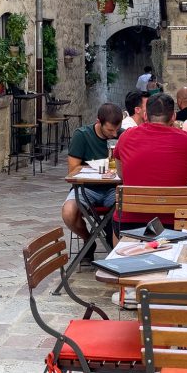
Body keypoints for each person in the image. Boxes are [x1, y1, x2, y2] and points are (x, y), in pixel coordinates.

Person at [113, 93, 187, 232]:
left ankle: (120, 252)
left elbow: (121, 174)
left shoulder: (126, 137)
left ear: (146, 116)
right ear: (173, 116)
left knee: (115, 223)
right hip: (177, 222)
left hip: (131, 223)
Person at [62, 103, 122, 260]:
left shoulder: (123, 135)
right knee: (68, 213)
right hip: (87, 188)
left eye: (117, 129)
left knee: (126, 207)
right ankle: (89, 239)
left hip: (113, 188)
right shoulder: (82, 135)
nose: (114, 134)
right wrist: (99, 166)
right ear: (98, 122)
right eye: (110, 130)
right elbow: (73, 169)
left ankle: (113, 239)